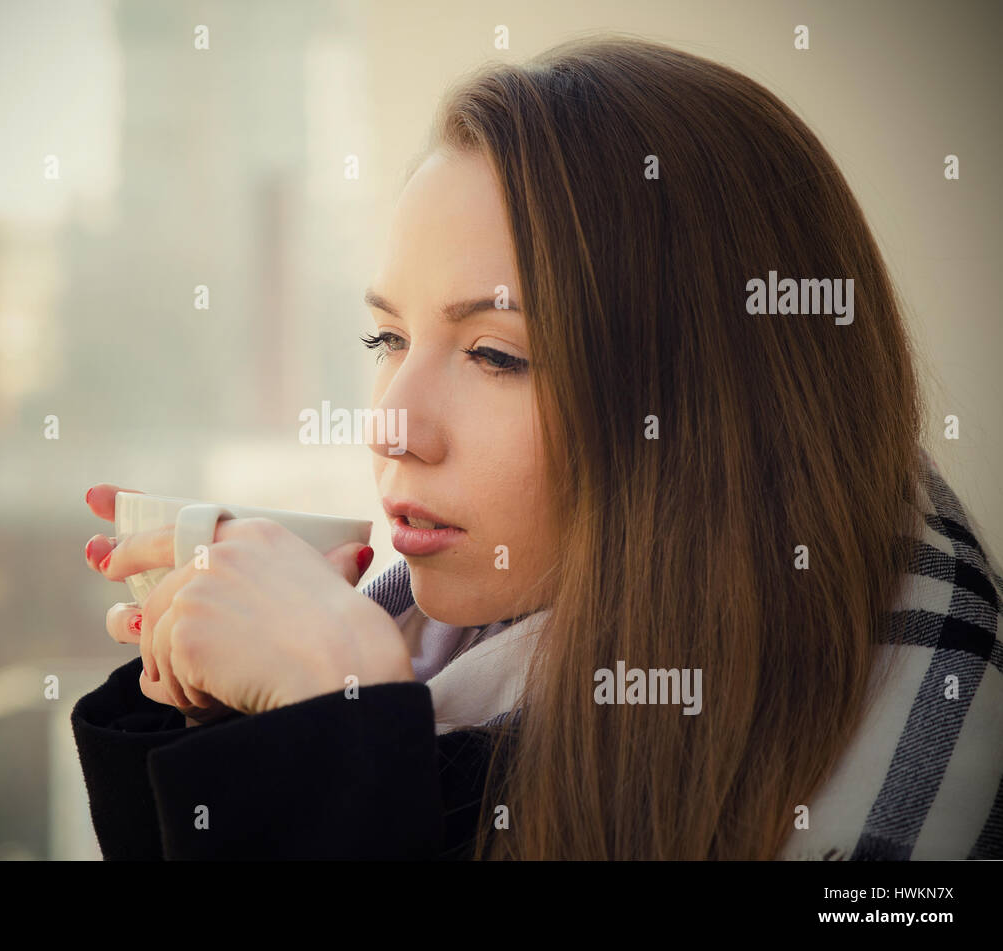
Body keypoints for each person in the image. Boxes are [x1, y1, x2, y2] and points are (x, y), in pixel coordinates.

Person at [71, 36, 1003, 860]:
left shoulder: (919, 743)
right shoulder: (444, 647)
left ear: (706, 408)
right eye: (387, 340)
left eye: (493, 354)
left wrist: (336, 739)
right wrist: (215, 719)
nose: (391, 425)